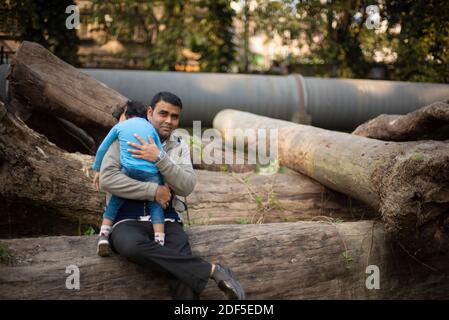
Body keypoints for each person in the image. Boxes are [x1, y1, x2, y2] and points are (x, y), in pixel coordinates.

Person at [98, 91, 245, 300]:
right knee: (131, 246)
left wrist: (159, 158)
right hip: (126, 219)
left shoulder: (178, 146)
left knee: (182, 272)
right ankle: (212, 271)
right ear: (150, 112)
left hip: (166, 220)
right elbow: (107, 179)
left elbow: (186, 186)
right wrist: (153, 191)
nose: (168, 121)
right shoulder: (127, 135)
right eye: (163, 114)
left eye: (174, 116)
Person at [92, 100, 167, 257]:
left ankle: (103, 236)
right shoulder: (151, 128)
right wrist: (162, 183)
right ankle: (160, 240)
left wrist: (97, 169)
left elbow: (102, 148)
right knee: (155, 205)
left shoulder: (120, 126)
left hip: (129, 170)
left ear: (126, 114)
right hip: (150, 172)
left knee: (116, 199)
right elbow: (160, 154)